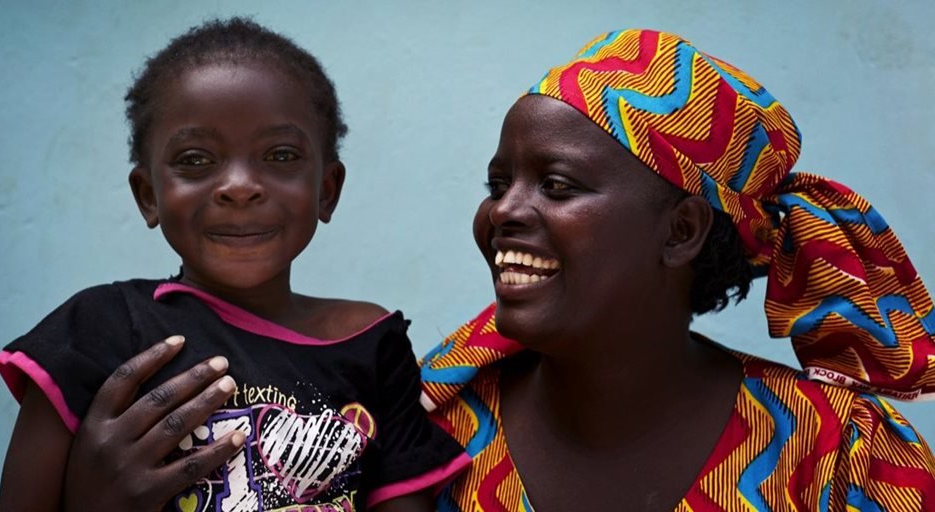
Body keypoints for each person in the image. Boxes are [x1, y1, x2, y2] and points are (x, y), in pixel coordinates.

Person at [57, 29, 935, 510]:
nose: (503, 212)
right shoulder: (417, 432)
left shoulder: (840, 456)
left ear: (680, 230)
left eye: (557, 185)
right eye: (497, 183)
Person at [0, 18, 467, 512]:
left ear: (326, 191)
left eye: (280, 155)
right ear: (148, 195)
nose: (239, 187)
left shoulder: (370, 343)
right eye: (196, 160)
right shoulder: (99, 329)